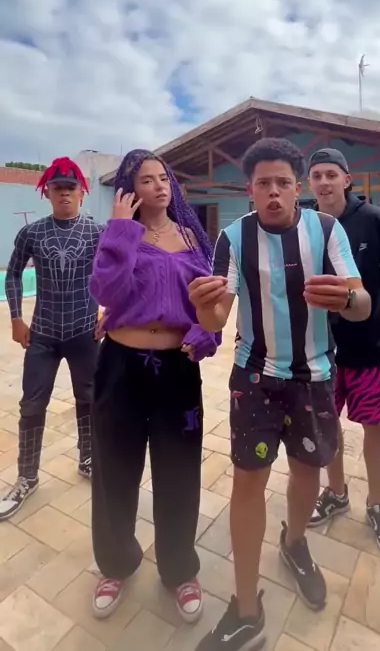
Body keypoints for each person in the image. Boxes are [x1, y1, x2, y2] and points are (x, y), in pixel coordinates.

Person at [189, 138, 371, 651]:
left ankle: (294, 543)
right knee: (248, 481)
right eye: (263, 184)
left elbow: (361, 302)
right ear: (249, 190)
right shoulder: (233, 237)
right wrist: (201, 306)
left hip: (315, 376)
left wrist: (349, 298)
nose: (273, 192)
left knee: (308, 472)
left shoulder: (327, 230)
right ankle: (247, 609)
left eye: (283, 183)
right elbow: (217, 318)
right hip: (255, 376)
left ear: (298, 188)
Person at [88, 149, 221, 623]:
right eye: (146, 179)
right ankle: (116, 564)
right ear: (130, 190)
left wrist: (206, 333)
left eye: (163, 177)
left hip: (176, 371)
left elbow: (212, 299)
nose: (159, 185)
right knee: (114, 469)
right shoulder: (119, 234)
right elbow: (105, 292)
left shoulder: (192, 237)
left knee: (179, 470)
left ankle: (179, 569)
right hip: (120, 367)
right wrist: (120, 229)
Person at [307, 148, 380, 560]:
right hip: (321, 348)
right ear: (309, 184)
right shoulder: (307, 224)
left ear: (347, 180)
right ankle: (336, 491)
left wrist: (372, 319)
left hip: (368, 347)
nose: (324, 182)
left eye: (331, 174)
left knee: (373, 424)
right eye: (316, 175)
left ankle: (377, 504)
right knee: (328, 424)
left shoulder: (373, 220)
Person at [0, 158, 102, 521]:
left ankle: (88, 458)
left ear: (81, 193)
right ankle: (26, 477)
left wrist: (110, 312)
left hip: (84, 330)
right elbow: (13, 274)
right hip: (42, 333)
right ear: (47, 193)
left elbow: (120, 273)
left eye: (71, 188)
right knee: (31, 404)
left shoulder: (96, 233)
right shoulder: (32, 233)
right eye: (57, 188)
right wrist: (16, 318)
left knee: (89, 399)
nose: (64, 194)